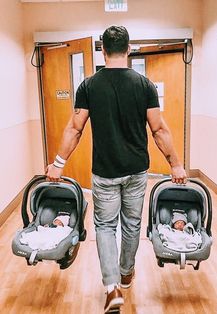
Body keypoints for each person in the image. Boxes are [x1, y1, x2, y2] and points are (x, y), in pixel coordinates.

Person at [46, 26, 187, 313]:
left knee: (106, 227)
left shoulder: (88, 86)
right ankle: (125, 274)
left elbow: (75, 128)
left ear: (101, 49)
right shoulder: (144, 84)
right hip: (136, 171)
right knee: (132, 225)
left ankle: (111, 288)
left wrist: (58, 164)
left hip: (105, 172)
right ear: (129, 47)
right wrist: (176, 164)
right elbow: (159, 129)